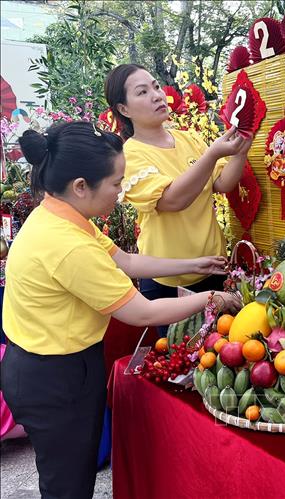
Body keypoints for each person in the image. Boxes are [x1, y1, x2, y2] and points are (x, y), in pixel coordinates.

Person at [1, 121, 242, 499]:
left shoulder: (63, 214)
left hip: (53, 367)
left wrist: (195, 264)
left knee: (68, 476)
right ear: (81, 186)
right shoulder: (67, 243)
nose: (121, 191)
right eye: (116, 183)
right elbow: (142, 313)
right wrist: (214, 300)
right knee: (68, 485)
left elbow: (127, 261)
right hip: (54, 378)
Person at [104, 64, 251, 335]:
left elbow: (221, 183)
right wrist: (212, 155)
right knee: (178, 363)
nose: (157, 95)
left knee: (216, 361)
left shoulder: (189, 139)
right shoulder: (131, 155)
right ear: (124, 109)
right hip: (166, 281)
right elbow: (172, 201)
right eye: (142, 92)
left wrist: (241, 150)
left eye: (156, 87)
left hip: (212, 269)